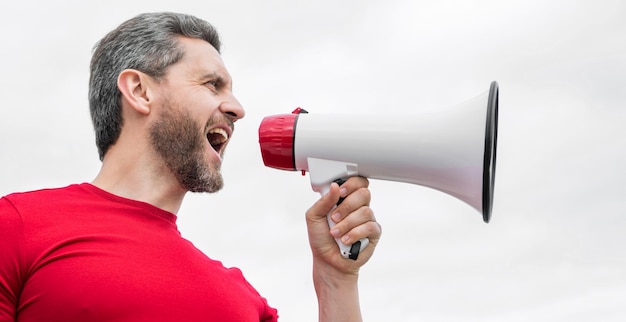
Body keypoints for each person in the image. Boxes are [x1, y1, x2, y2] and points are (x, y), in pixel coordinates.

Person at [0, 12, 381, 321]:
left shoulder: (244, 302)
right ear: (139, 91)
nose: (238, 109)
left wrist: (336, 279)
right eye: (212, 85)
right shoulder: (16, 226)